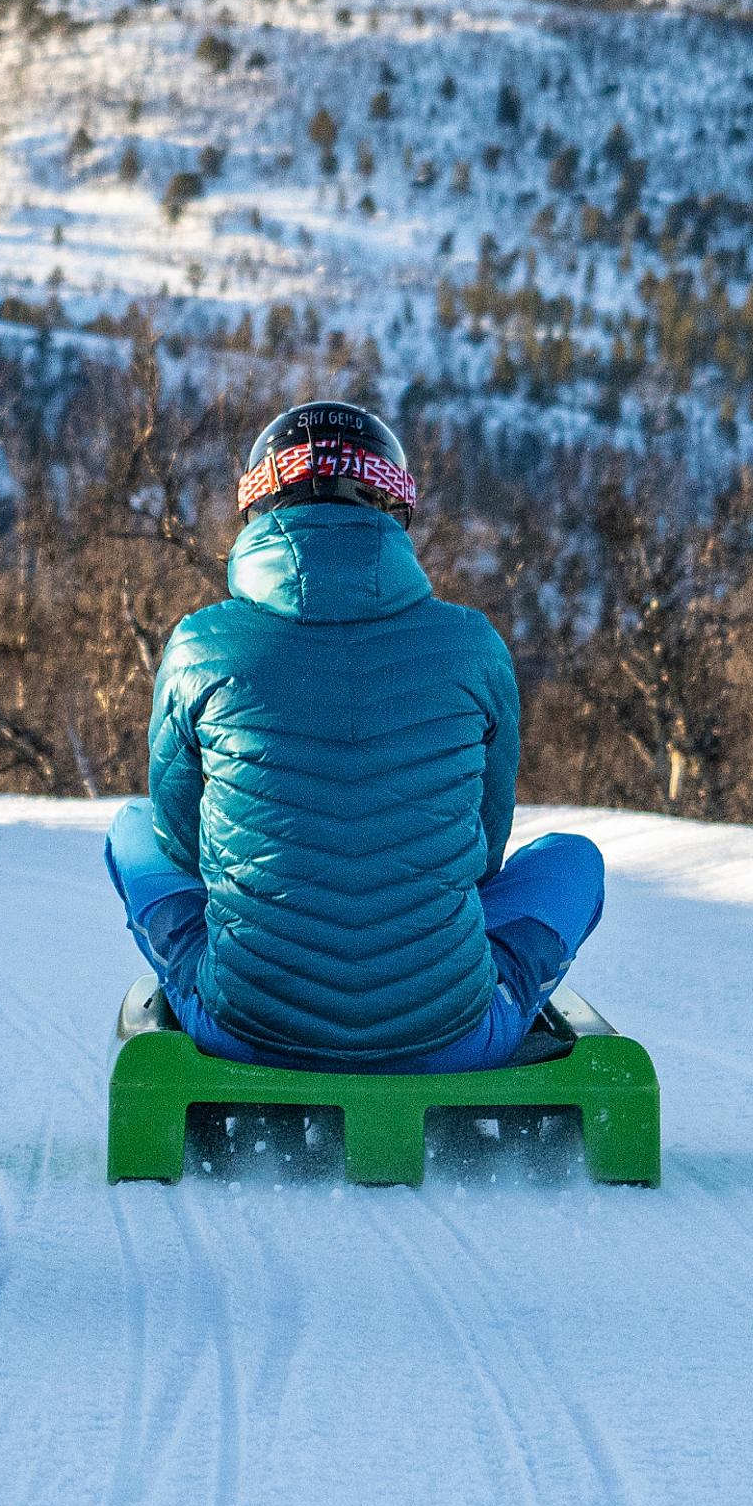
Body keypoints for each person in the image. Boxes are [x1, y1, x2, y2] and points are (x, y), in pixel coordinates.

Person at [110, 400, 605, 1072]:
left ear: (258, 504)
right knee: (572, 858)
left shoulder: (199, 644)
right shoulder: (471, 644)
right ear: (391, 507)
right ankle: (445, 993)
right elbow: (483, 855)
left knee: (130, 829)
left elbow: (177, 840)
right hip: (447, 1035)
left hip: (247, 1026)